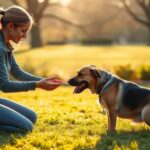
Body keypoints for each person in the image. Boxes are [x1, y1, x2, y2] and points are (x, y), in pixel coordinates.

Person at [0, 5, 62, 133]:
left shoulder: (6, 46)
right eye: (23, 31)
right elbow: (5, 85)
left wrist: (43, 80)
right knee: (25, 127)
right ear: (10, 26)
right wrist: (37, 85)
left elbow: (18, 73)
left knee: (31, 117)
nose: (25, 36)